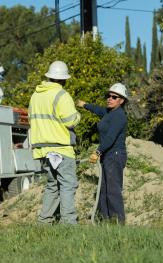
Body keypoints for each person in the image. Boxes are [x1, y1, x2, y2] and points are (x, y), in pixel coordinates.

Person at [28, 61, 81, 225]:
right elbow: (70, 121)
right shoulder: (61, 95)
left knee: (52, 184)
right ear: (63, 79)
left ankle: (44, 221)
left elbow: (31, 119)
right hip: (61, 149)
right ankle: (68, 223)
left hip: (43, 150)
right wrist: (78, 115)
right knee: (67, 184)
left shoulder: (35, 95)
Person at [77, 83, 128, 224]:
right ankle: (104, 220)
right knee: (103, 190)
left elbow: (111, 137)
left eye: (114, 97)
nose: (109, 99)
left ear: (121, 101)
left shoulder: (119, 116)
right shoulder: (109, 112)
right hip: (108, 155)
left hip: (115, 155)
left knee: (112, 190)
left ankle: (118, 222)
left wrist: (98, 151)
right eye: (108, 96)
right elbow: (98, 110)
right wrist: (84, 105)